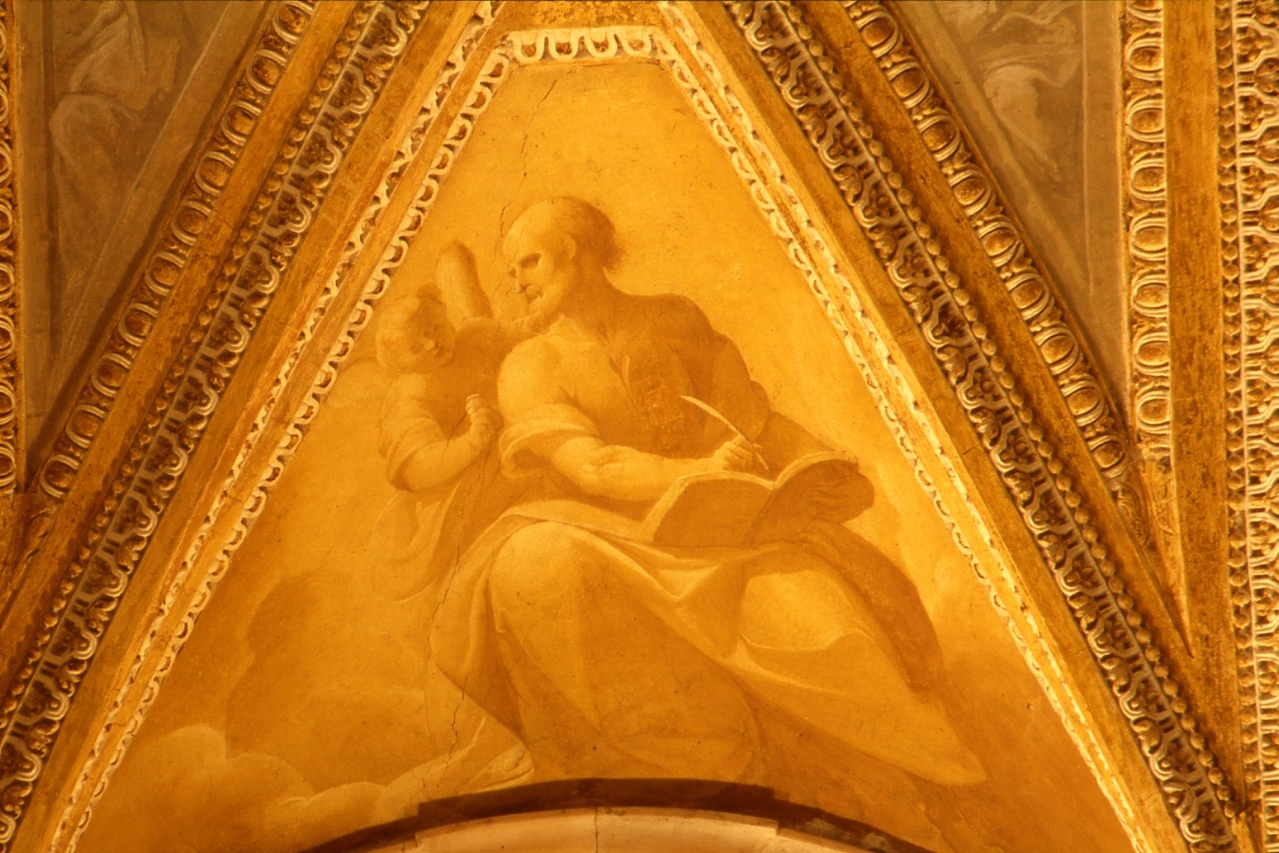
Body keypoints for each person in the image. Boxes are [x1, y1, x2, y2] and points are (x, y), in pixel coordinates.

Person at [427, 198, 984, 793]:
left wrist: (823, 468)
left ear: (576, 253)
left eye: (529, 262)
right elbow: (593, 466)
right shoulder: (529, 366)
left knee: (836, 641)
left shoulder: (674, 319)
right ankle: (691, 762)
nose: (516, 283)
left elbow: (752, 419)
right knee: (534, 560)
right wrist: (696, 470)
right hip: (619, 545)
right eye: (511, 270)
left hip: (728, 535)